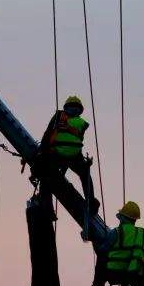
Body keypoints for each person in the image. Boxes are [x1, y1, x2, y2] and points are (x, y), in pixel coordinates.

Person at [38, 95, 99, 237]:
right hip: (73, 155)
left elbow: (48, 135)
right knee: (85, 175)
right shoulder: (81, 123)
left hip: (57, 153)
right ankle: (91, 202)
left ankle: (47, 206)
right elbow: (76, 140)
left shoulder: (59, 116)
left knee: (46, 177)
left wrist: (41, 152)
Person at [84, 201, 144, 286]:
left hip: (114, 273)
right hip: (134, 275)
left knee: (101, 261)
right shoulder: (143, 233)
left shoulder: (116, 232)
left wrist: (93, 240)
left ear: (123, 218)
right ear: (135, 219)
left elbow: (102, 251)